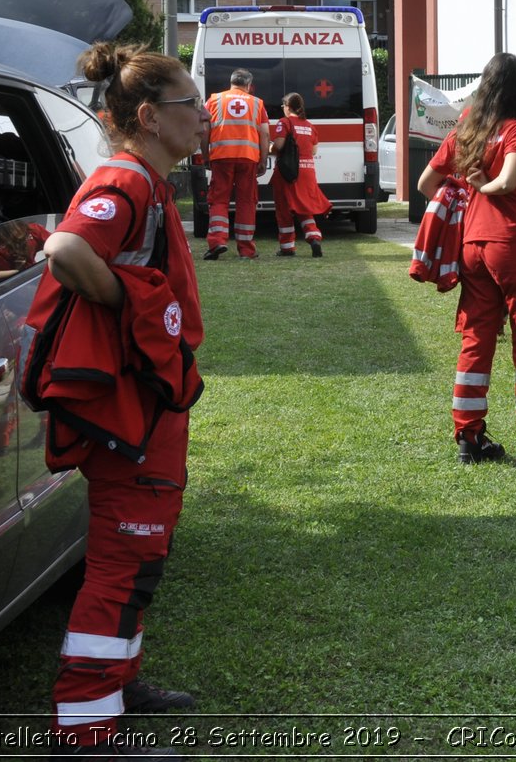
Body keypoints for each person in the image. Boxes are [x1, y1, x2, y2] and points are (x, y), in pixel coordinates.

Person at [28, 42, 209, 758]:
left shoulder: (150, 182)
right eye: (189, 104)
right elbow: (67, 249)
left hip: (151, 403)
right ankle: (84, 731)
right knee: (120, 562)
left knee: (142, 558)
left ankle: (119, 686)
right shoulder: (126, 181)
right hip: (129, 406)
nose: (203, 115)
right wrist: (130, 311)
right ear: (147, 116)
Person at [418, 53, 516, 468]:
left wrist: (463, 197)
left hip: (472, 245)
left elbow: (426, 183)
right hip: (513, 244)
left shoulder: (465, 129)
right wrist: (486, 185)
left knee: (476, 343)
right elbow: (508, 181)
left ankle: (470, 437)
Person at [202, 67, 270, 260]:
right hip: (248, 158)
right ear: (249, 85)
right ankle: (247, 250)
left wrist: (205, 155)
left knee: (218, 199)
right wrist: (263, 159)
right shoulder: (257, 103)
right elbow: (264, 133)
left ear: (231, 82)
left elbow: (204, 130)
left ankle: (217, 241)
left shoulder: (214, 100)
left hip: (221, 156)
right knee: (246, 202)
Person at [267, 92, 332, 258]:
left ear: (288, 107)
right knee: (303, 207)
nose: (282, 109)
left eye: (283, 106)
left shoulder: (285, 122)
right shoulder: (310, 126)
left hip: (288, 172)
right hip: (308, 172)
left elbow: (279, 145)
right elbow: (313, 150)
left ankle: (287, 247)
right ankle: (314, 236)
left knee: (284, 209)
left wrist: (269, 148)